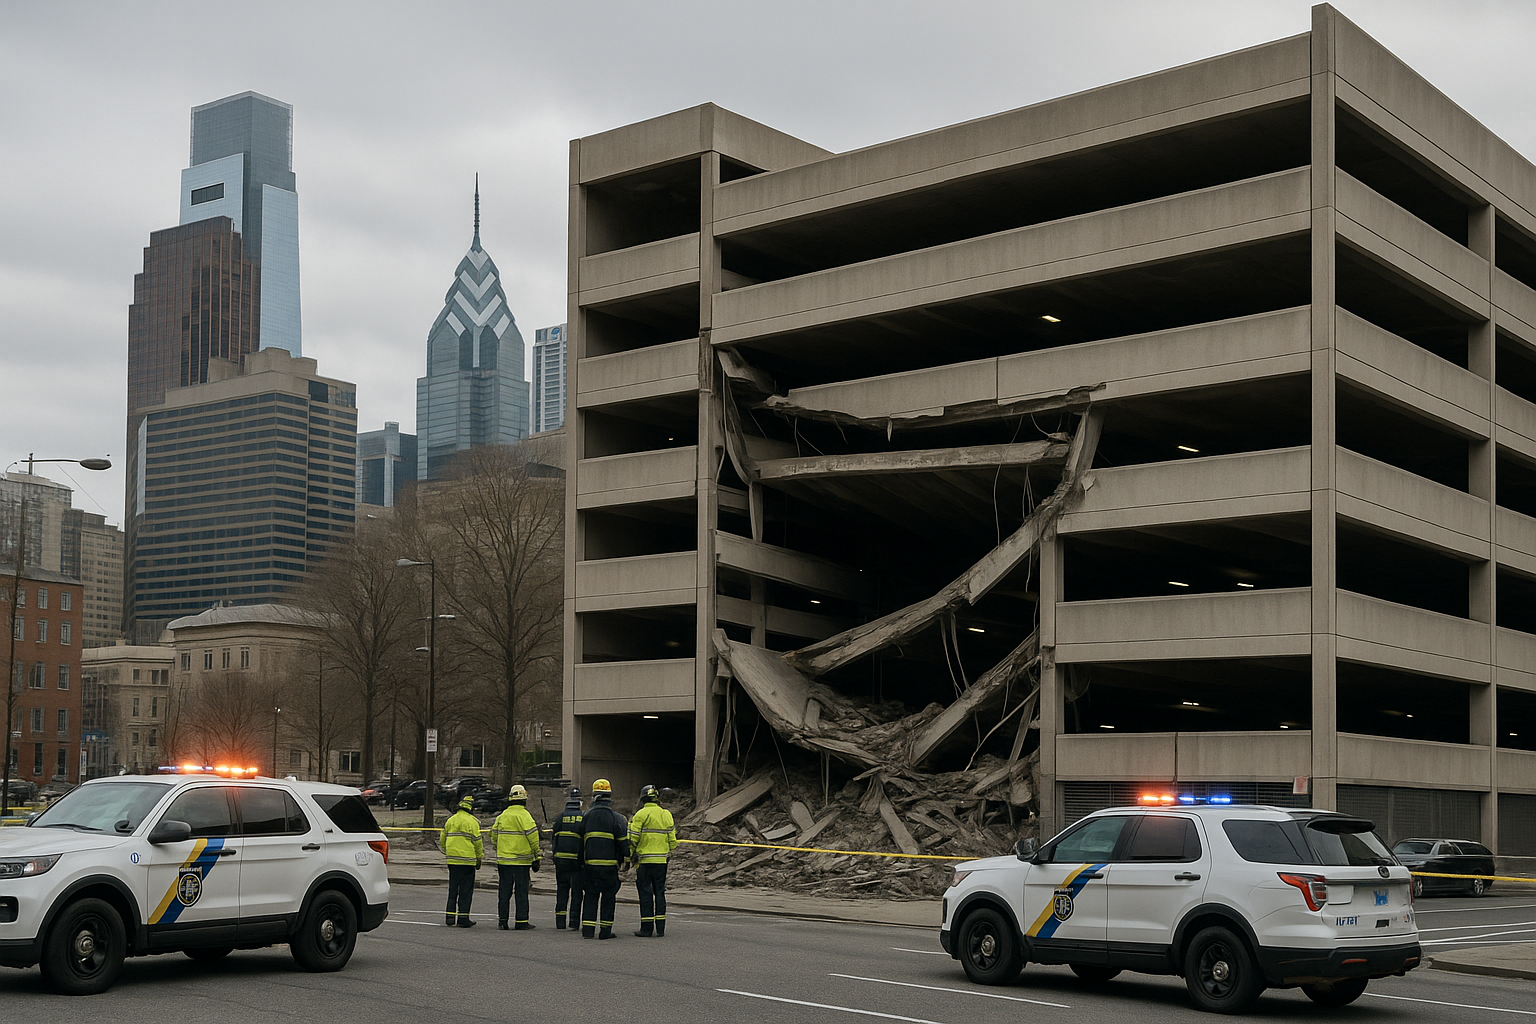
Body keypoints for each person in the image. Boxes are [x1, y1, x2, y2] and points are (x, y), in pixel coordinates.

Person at [578, 778, 628, 939]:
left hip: (590, 865)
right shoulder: (616, 818)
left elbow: (579, 842)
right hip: (609, 867)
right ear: (609, 796)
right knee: (608, 898)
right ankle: (605, 931)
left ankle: (588, 931)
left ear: (594, 796)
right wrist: (626, 859)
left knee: (590, 897)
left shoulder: (586, 816)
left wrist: (580, 863)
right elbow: (622, 843)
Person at [627, 784, 679, 937]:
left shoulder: (641, 814)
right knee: (660, 892)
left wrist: (629, 856)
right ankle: (660, 928)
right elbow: (673, 841)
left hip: (644, 862)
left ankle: (646, 929)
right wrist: (665, 850)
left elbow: (633, 839)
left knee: (645, 894)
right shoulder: (666, 814)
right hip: (662, 862)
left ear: (643, 799)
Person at [490, 785, 541, 930]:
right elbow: (533, 838)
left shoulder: (502, 816)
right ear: (524, 800)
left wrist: (501, 847)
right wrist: (537, 856)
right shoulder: (525, 816)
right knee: (521, 892)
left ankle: (503, 921)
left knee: (504, 892)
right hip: (521, 862)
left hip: (504, 861)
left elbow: (493, 836)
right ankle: (521, 921)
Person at [439, 794, 483, 927]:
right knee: (465, 891)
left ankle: (450, 917)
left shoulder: (451, 820)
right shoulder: (472, 822)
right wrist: (479, 858)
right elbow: (477, 842)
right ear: (470, 809)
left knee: (453, 889)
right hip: (467, 862)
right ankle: (463, 918)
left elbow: (442, 839)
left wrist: (447, 851)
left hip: (452, 861)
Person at [552, 786, 585, 930]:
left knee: (562, 890)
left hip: (561, 860)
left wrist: (555, 856)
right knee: (576, 892)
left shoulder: (560, 817)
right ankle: (573, 922)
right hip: (576, 862)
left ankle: (560, 922)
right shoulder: (583, 818)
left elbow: (554, 838)